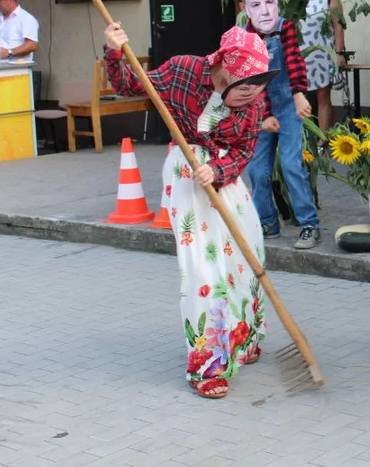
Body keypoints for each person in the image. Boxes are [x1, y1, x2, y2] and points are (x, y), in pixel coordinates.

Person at [103, 22, 280, 399]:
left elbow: (244, 151)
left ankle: (243, 338)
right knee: (205, 270)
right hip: (188, 177)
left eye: (259, 83)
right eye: (244, 83)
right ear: (224, 68)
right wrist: (115, 51)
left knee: (246, 260)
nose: (251, 92)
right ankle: (207, 365)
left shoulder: (255, 100)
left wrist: (219, 169)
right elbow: (129, 86)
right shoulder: (183, 70)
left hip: (226, 183)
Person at [233, 0, 322, 249]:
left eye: (270, 2)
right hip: (260, 109)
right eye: (257, 4)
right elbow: (251, 78)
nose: (265, 10)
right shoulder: (244, 38)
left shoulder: (286, 29)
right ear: (244, 8)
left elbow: (294, 60)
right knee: (257, 170)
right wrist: (263, 115)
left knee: (291, 164)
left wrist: (298, 94)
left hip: (287, 105)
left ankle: (309, 224)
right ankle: (267, 223)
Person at [298, 0, 346, 132]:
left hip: (323, 52)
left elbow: (339, 24)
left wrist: (339, 53)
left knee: (323, 97)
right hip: (300, 52)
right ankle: (304, 139)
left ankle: (323, 140)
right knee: (299, 96)